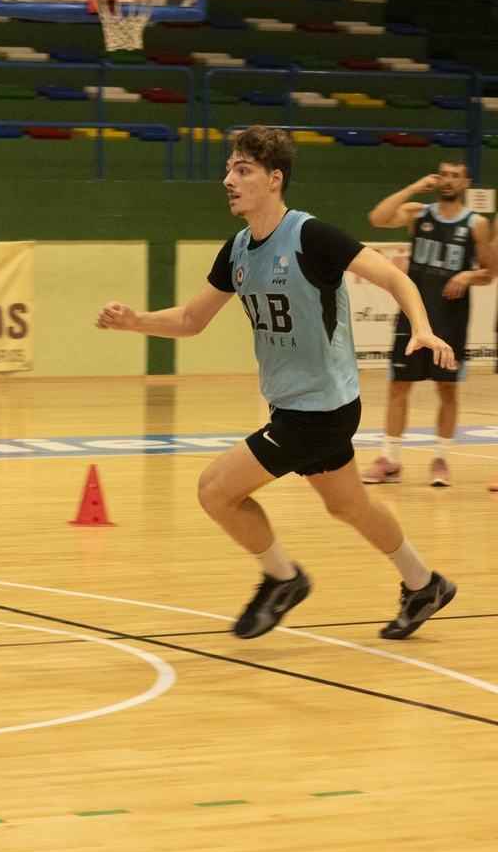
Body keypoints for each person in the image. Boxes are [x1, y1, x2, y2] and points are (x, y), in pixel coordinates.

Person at [97, 125, 457, 640]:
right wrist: (136, 321)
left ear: (274, 179)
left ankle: (283, 579)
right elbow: (192, 320)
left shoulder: (310, 236)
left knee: (214, 491)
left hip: (320, 410)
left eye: (242, 170)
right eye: (228, 169)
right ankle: (425, 584)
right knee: (348, 505)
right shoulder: (239, 249)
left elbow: (395, 277)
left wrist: (421, 327)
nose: (228, 180)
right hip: (295, 405)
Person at [361, 162, 492, 486]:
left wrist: (467, 275)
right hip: (412, 314)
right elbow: (378, 218)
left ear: (466, 182)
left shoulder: (476, 224)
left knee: (447, 389)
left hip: (451, 317)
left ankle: (441, 460)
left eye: (455, 176)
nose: (448, 180)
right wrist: (413, 187)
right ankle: (390, 460)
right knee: (398, 386)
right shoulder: (419, 213)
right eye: (443, 174)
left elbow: (490, 272)